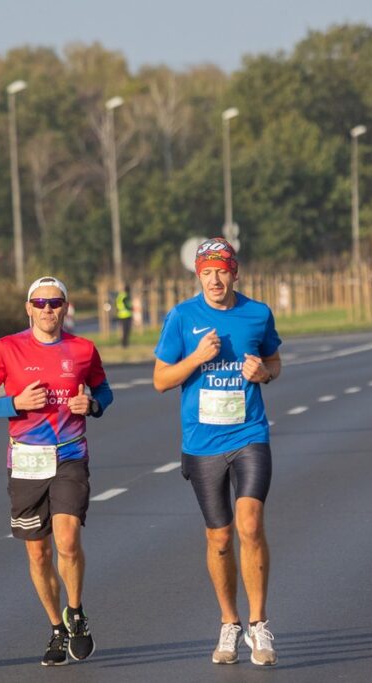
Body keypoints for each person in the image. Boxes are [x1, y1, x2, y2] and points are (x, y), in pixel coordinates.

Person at [0, 276, 113, 666]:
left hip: (69, 455)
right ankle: (56, 628)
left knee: (66, 541)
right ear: (28, 308)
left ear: (65, 308)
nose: (48, 309)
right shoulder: (7, 348)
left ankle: (77, 613)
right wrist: (14, 402)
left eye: (55, 302)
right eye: (40, 302)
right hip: (27, 461)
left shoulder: (82, 349)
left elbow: (104, 391)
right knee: (38, 553)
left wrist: (93, 406)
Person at [152, 238, 282, 667]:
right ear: (198, 276)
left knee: (250, 523)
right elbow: (161, 380)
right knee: (220, 537)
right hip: (202, 443)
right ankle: (230, 623)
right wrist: (196, 359)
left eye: (221, 270)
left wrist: (263, 372)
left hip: (249, 435)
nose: (214, 279)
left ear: (235, 272)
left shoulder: (257, 313)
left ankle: (259, 624)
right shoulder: (183, 317)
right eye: (206, 272)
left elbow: (274, 363)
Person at [115, 284, 133, 348]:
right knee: (126, 330)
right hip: (126, 315)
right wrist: (131, 308)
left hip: (120, 315)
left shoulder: (120, 296)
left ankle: (124, 343)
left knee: (123, 330)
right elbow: (126, 304)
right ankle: (124, 344)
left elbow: (117, 305)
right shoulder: (125, 296)